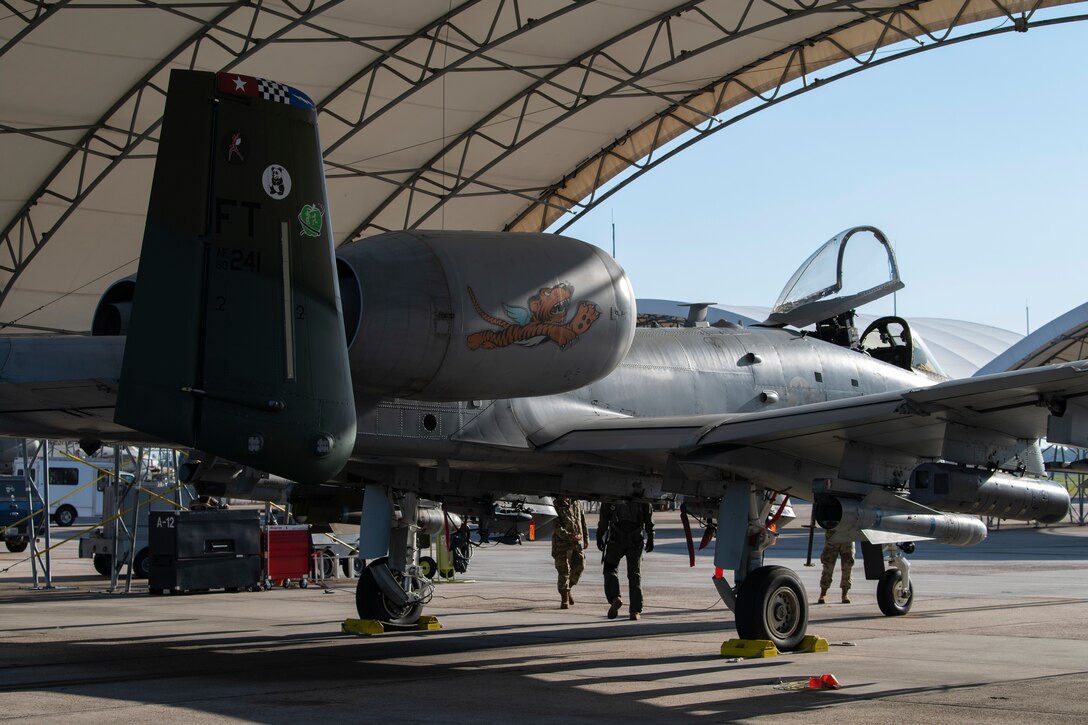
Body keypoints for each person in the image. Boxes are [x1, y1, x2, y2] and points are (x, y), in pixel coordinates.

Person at [597, 500, 654, 620]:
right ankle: (635, 611)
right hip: (635, 540)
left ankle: (615, 598)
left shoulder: (611, 493)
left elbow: (604, 518)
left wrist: (599, 536)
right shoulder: (641, 493)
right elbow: (648, 516)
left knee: (610, 568)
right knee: (634, 574)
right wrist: (651, 537)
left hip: (616, 539)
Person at [551, 496, 589, 608]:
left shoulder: (576, 502)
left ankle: (568, 589)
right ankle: (564, 599)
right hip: (561, 543)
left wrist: (585, 537)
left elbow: (582, 520)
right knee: (563, 571)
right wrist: (569, 536)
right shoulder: (555, 504)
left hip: (577, 542)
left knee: (580, 566)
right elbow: (556, 527)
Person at [818, 529, 855, 604]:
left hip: (848, 534)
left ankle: (845, 593)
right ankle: (823, 593)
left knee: (847, 566)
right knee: (828, 566)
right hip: (833, 532)